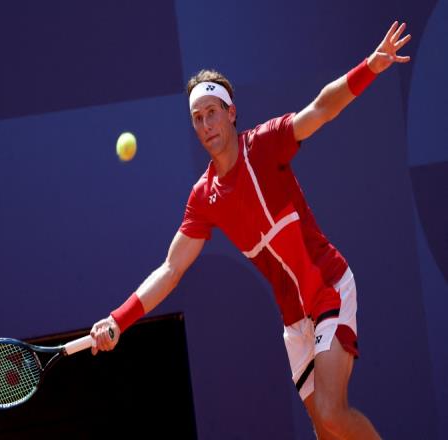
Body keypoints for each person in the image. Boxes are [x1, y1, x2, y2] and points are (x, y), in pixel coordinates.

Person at [90, 21, 411, 439]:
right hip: (293, 320)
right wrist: (119, 319)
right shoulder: (203, 197)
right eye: (197, 118)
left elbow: (321, 108)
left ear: (231, 113)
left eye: (212, 113)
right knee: (325, 431)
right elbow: (171, 269)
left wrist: (370, 66)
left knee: (332, 413)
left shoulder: (265, 144)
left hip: (328, 287)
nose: (206, 125)